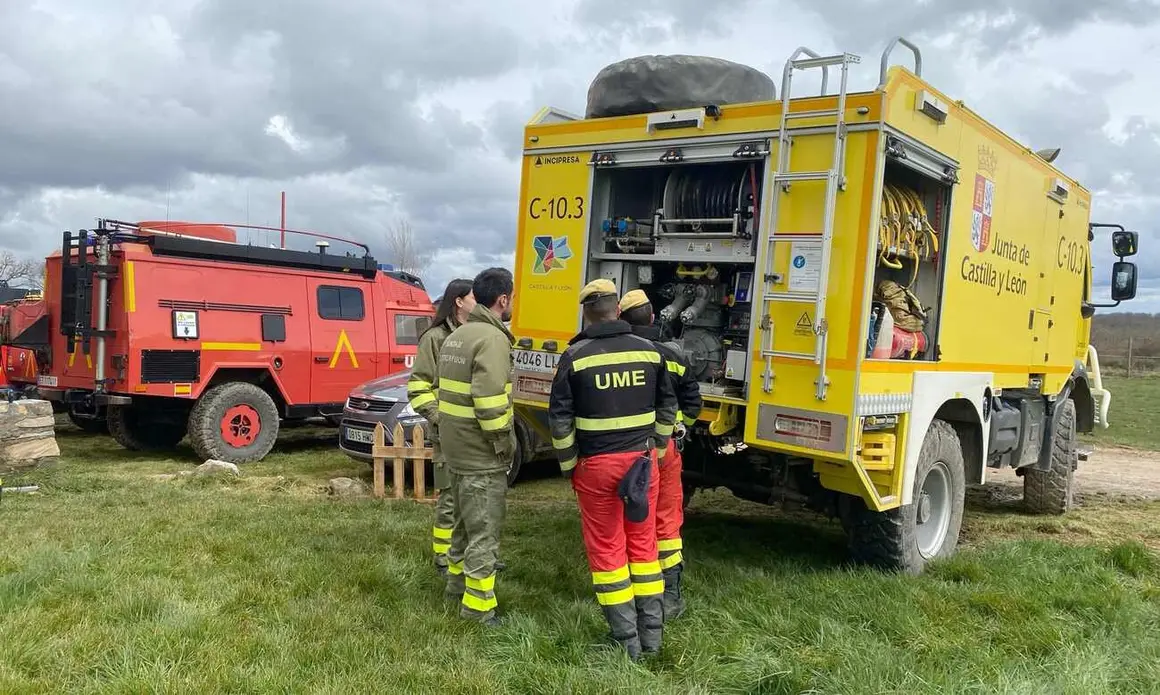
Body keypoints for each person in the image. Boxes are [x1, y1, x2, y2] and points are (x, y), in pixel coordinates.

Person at [548, 278, 679, 660]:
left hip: (596, 467)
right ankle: (652, 639)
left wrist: (571, 466)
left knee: (608, 552)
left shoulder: (575, 357)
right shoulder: (650, 352)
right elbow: (667, 407)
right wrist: (655, 449)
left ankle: (626, 642)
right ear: (617, 311)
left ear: (587, 313)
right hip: (642, 463)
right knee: (644, 546)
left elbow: (559, 421)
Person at [436, 267, 517, 626]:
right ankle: (479, 609)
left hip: (455, 449)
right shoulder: (493, 339)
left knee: (462, 528)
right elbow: (488, 402)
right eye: (511, 298)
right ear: (502, 299)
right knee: (483, 531)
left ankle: (456, 587)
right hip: (481, 455)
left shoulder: (458, 335)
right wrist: (505, 444)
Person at [617, 289, 702, 622]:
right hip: (663, 451)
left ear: (621, 319)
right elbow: (693, 404)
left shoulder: (614, 354)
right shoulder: (673, 356)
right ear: (652, 318)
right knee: (666, 521)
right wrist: (680, 429)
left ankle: (626, 587)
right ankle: (669, 594)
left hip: (623, 451)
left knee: (625, 519)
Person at [407, 278, 475, 577]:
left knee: (473, 496)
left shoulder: (475, 335)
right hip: (447, 432)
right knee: (450, 497)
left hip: (472, 431)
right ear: (459, 301)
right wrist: (439, 416)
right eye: (474, 297)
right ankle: (443, 558)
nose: (479, 302)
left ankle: (471, 555)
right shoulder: (434, 338)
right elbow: (419, 386)